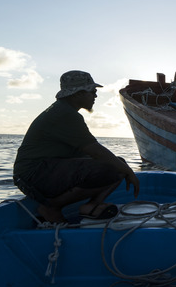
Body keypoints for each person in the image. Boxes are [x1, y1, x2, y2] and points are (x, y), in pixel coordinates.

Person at [13, 70, 140, 223]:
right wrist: (129, 172)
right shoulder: (65, 114)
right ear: (78, 94)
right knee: (114, 168)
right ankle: (51, 208)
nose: (95, 96)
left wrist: (123, 167)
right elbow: (96, 151)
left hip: (37, 172)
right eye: (92, 91)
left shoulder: (63, 111)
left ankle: (92, 205)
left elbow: (90, 153)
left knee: (118, 164)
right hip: (33, 175)